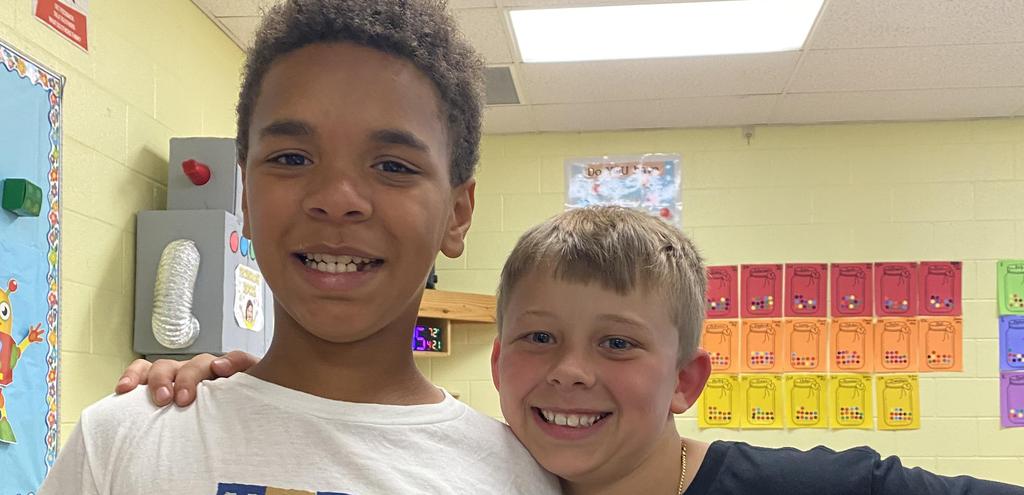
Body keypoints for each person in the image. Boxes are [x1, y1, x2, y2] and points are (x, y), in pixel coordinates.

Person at [126, 207, 1024, 494]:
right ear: (497, 360)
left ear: (685, 379)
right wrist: (238, 391)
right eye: (541, 337)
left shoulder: (798, 486)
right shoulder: (492, 472)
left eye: (618, 343)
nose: (571, 370)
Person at [40, 0, 559, 493]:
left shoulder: (519, 477)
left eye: (393, 167)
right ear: (245, 195)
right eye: (291, 158)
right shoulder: (120, 442)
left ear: (458, 214)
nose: (336, 200)